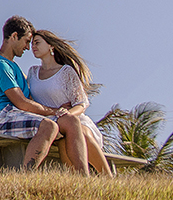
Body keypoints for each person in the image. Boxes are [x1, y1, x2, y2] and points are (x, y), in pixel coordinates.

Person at [0, 16, 90, 173]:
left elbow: (29, 99)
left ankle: (84, 177)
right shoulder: (0, 65)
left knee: (70, 121)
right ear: (14, 36)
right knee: (48, 125)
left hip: (18, 115)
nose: (28, 47)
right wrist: (54, 111)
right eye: (27, 41)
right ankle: (27, 175)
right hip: (2, 116)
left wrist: (63, 111)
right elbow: (21, 102)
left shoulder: (15, 68)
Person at [28, 29, 111, 174]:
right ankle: (78, 180)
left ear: (50, 46)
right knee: (63, 137)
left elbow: (81, 103)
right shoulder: (32, 72)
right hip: (49, 122)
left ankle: (107, 177)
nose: (33, 47)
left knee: (82, 132)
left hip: (73, 119)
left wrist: (66, 113)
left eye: (37, 43)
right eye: (31, 44)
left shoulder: (66, 72)